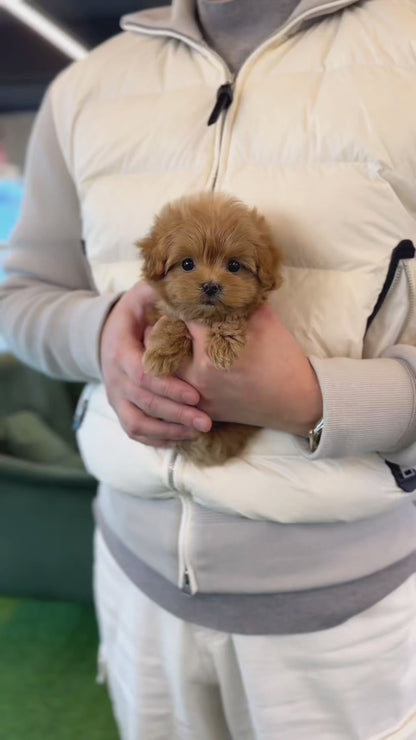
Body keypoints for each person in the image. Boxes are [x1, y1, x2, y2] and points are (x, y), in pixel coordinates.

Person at [2, 0, 416, 736]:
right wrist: (101, 336)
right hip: (132, 574)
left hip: (345, 612)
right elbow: (21, 295)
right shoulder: (85, 87)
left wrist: (326, 399)